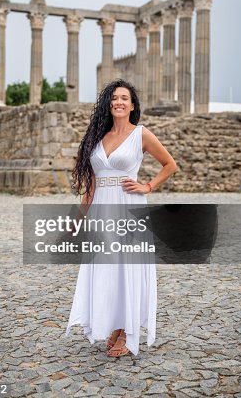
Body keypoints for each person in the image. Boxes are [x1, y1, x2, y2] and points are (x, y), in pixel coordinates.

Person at [65, 79, 177, 356]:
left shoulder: (141, 134)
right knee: (108, 269)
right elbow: (90, 187)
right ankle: (115, 325)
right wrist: (77, 220)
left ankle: (127, 332)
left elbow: (170, 165)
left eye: (124, 98)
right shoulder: (96, 136)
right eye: (114, 98)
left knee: (127, 268)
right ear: (108, 103)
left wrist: (147, 186)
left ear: (132, 105)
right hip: (102, 210)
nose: (119, 102)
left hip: (129, 207)